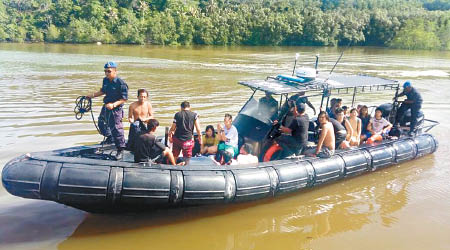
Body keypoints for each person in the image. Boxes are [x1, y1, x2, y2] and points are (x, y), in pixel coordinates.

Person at [86, 61, 128, 160]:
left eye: (109, 71)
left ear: (115, 71)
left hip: (116, 108)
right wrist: (91, 96)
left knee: (117, 128)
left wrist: (113, 105)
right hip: (106, 106)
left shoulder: (121, 83)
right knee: (101, 122)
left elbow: (124, 99)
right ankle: (110, 137)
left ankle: (120, 149)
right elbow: (103, 91)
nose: (107, 73)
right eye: (105, 71)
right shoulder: (105, 80)